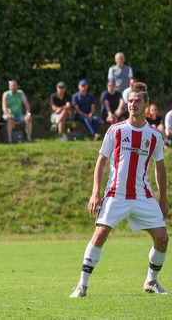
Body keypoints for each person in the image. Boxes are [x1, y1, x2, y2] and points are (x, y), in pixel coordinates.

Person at [70, 82, 169, 298]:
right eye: (130, 101)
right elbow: (101, 161)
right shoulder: (116, 130)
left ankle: (151, 281)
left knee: (162, 238)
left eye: (137, 101)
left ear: (146, 104)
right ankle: (81, 286)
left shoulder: (155, 135)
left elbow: (160, 168)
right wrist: (95, 192)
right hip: (116, 194)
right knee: (99, 234)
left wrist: (163, 199)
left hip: (142, 195)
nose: (133, 104)